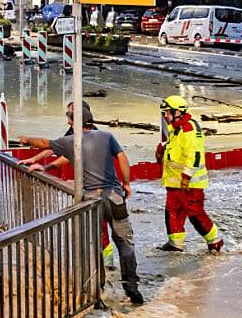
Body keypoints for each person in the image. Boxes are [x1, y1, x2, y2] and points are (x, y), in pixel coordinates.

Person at [19, 102, 144, 304]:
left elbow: (45, 143)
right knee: (126, 243)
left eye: (69, 118)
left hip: (92, 201)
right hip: (115, 196)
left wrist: (25, 140)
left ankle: (98, 291)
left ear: (75, 122)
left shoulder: (72, 141)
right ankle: (132, 287)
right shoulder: (107, 137)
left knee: (92, 243)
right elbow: (122, 158)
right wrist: (126, 183)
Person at [155, 95, 224, 253]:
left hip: (189, 184)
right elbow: (176, 147)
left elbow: (194, 155)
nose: (165, 116)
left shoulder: (189, 129)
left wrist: (186, 177)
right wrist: (163, 147)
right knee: (172, 212)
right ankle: (175, 244)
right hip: (174, 183)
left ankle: (215, 242)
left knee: (195, 214)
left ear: (177, 111)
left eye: (167, 112)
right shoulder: (177, 128)